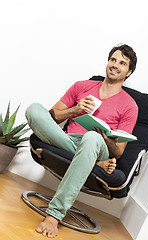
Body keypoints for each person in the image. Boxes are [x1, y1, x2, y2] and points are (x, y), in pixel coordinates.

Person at [25, 44, 138, 238]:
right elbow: (51, 117)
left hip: (97, 146)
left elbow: (118, 151)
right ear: (108, 61)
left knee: (91, 137)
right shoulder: (82, 86)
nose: (115, 65)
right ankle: (93, 162)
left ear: (129, 72)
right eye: (113, 60)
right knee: (34, 109)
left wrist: (103, 137)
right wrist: (75, 110)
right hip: (67, 140)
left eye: (122, 63)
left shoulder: (130, 106)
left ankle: (54, 215)